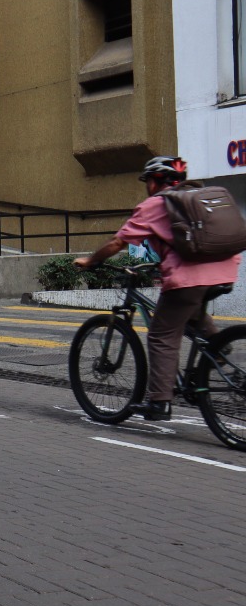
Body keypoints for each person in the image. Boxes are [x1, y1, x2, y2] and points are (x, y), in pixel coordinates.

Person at [76, 156, 243, 421]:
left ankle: (159, 402)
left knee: (161, 335)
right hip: (224, 271)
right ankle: (218, 348)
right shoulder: (195, 197)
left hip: (190, 279)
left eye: (148, 181)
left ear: (155, 182)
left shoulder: (155, 204)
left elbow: (119, 242)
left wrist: (91, 260)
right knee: (192, 312)